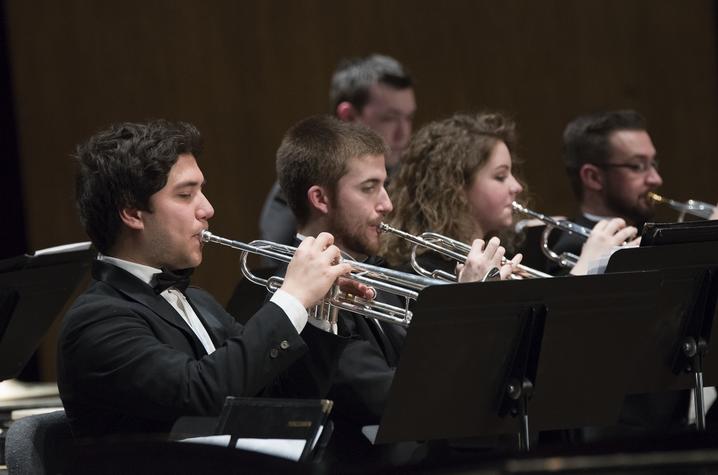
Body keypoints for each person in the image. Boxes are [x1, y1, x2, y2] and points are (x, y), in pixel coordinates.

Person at [57, 120, 369, 439]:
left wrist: (318, 312)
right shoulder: (96, 322)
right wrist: (292, 298)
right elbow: (200, 394)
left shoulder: (199, 301)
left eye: (201, 192)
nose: (207, 209)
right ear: (133, 213)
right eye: (185, 195)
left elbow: (283, 402)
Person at [275, 114, 513, 465]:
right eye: (369, 187)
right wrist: (465, 309)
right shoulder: (297, 296)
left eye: (385, 185)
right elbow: (392, 399)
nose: (386, 203)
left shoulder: (382, 277)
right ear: (320, 199)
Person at [382, 112, 633, 277]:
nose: (517, 186)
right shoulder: (427, 269)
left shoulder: (516, 255)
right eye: (500, 176)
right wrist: (587, 267)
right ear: (456, 186)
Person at [259, 54, 416, 247]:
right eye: (389, 118)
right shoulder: (301, 185)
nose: (404, 133)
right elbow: (281, 266)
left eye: (408, 118)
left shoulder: (408, 174)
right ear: (348, 116)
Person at [549, 109, 663, 269]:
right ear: (593, 177)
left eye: (653, 164)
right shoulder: (574, 248)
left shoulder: (653, 234)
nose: (656, 179)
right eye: (637, 166)